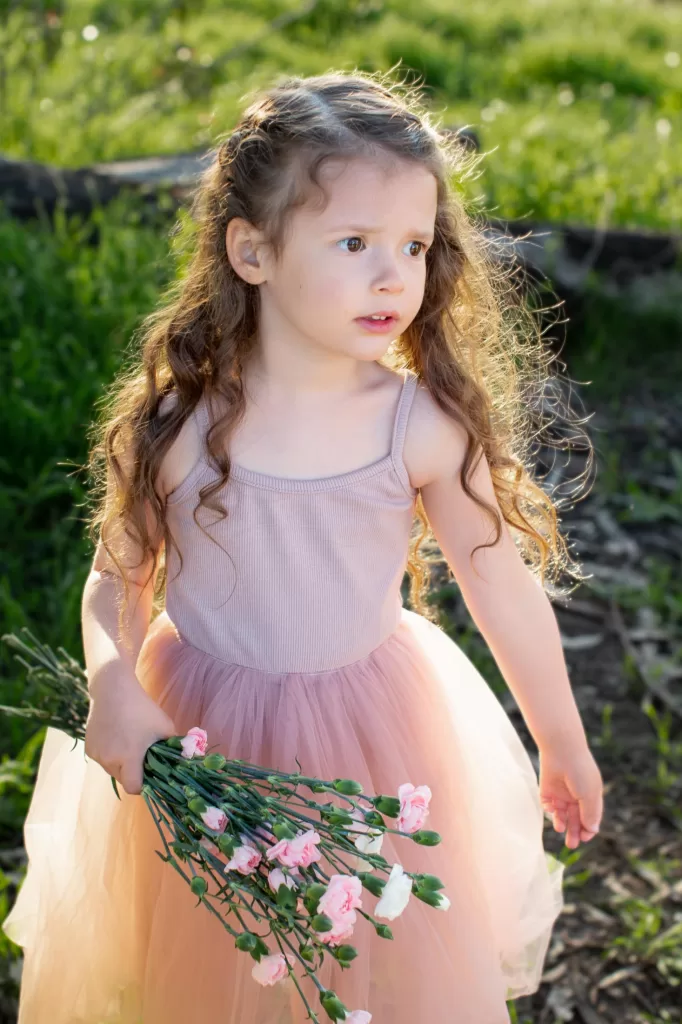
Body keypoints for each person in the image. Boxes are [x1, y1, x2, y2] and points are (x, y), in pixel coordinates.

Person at [3, 69, 603, 1024]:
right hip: (199, 730)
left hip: (372, 738)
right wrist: (112, 680)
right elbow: (120, 571)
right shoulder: (187, 422)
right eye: (354, 242)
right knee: (203, 964)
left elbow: (500, 585)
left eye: (413, 246)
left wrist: (560, 738)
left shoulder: (416, 426)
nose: (392, 276)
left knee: (377, 958)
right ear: (252, 250)